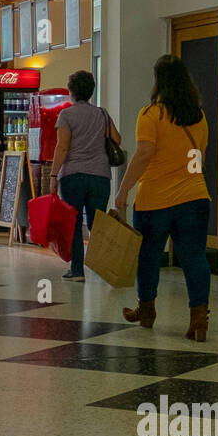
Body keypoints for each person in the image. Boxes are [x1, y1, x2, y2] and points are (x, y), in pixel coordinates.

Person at [114, 54, 212, 342]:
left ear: (158, 81)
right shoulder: (199, 115)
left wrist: (123, 191)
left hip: (155, 200)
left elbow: (144, 154)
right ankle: (198, 320)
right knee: (194, 257)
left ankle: (146, 310)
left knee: (148, 257)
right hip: (195, 197)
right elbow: (198, 156)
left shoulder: (151, 115)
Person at [50, 70, 121, 282]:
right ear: (91, 91)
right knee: (97, 223)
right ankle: (106, 267)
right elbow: (117, 139)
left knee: (73, 222)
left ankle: (77, 270)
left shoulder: (66, 115)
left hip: (73, 176)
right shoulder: (102, 114)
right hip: (100, 176)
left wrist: (53, 175)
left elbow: (62, 147)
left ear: (71, 91)